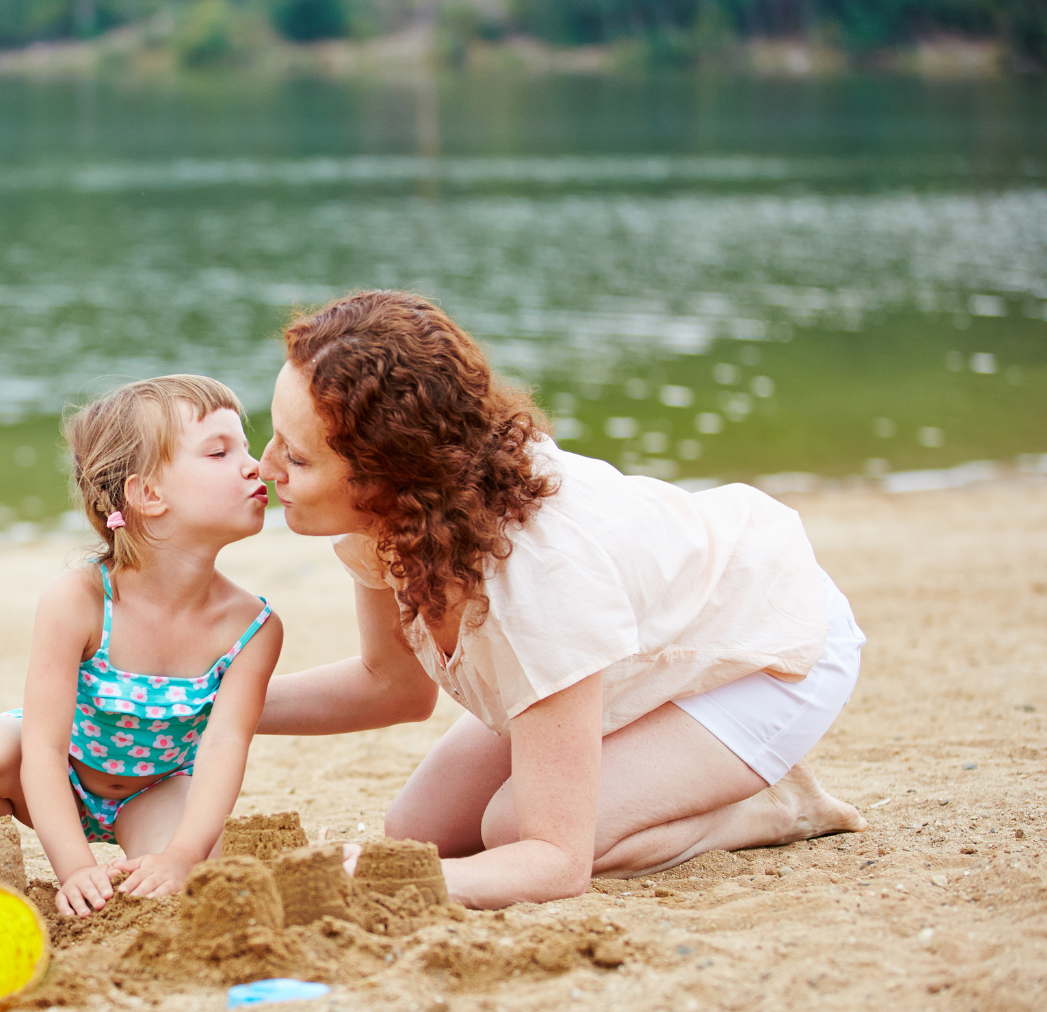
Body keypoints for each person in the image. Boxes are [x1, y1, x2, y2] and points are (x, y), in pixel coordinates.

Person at [255, 290, 866, 910]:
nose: (265, 465)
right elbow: (391, 686)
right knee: (420, 831)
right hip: (648, 648)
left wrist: (386, 882)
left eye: (296, 456)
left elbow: (556, 864)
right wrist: (216, 702)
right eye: (275, 438)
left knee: (514, 832)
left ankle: (769, 806)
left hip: (768, 647)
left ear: (387, 476)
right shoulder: (394, 524)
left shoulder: (540, 585)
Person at [0, 376, 283, 916]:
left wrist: (182, 855)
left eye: (246, 445)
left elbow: (222, 749)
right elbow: (43, 748)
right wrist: (75, 871)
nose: (254, 465)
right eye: (219, 451)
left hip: (155, 789)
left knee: (197, 877)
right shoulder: (79, 599)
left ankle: (165, 854)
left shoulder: (252, 627)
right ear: (147, 495)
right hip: (58, 773)